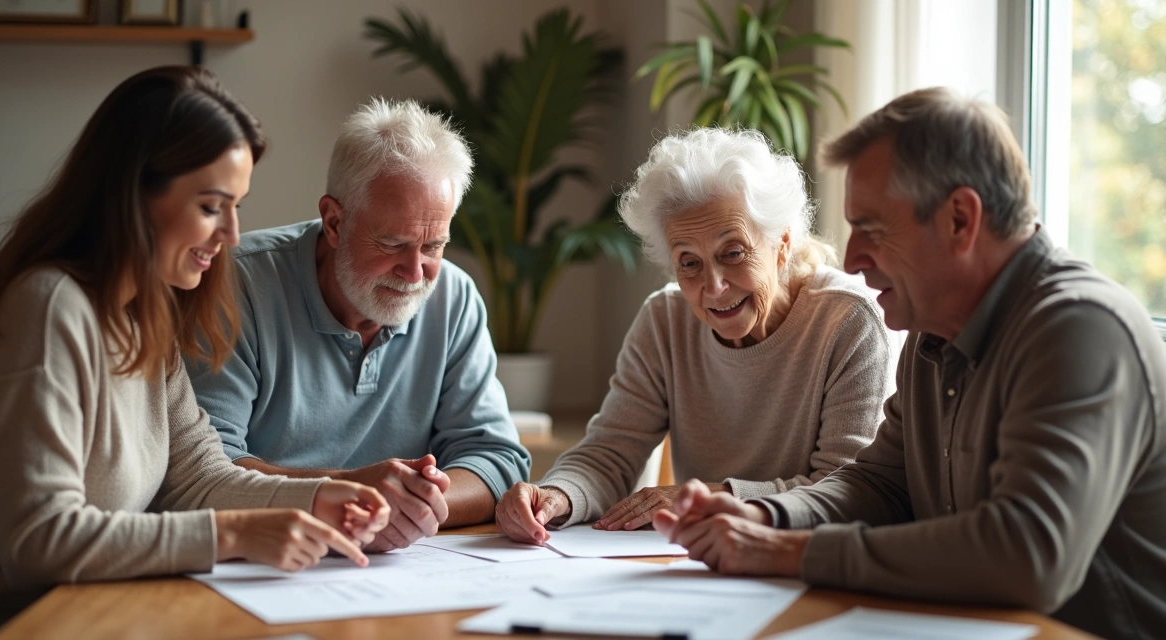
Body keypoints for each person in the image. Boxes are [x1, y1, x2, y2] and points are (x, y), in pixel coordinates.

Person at [653, 88, 1166, 639]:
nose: (850, 258)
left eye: (872, 229)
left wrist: (789, 550)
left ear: (960, 220)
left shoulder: (1079, 328)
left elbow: (1027, 554)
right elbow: (880, 484)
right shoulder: (933, 334)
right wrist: (766, 517)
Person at [0, 67, 391, 638]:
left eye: (237, 206)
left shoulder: (142, 311)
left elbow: (198, 476)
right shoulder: (45, 308)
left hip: (98, 617)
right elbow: (39, 541)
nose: (232, 233)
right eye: (211, 206)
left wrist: (318, 497)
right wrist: (231, 535)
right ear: (133, 195)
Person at [496, 128, 893, 545]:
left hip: (804, 563)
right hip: (699, 564)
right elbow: (610, 451)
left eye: (733, 252)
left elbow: (845, 489)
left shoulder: (848, 321)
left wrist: (719, 497)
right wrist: (556, 495)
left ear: (782, 245)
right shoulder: (665, 320)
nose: (714, 286)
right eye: (689, 262)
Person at [186, 98, 530, 553]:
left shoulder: (454, 297)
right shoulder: (232, 284)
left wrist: (410, 506)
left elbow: (498, 459)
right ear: (333, 221)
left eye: (434, 245)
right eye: (392, 243)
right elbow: (205, 471)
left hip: (406, 573)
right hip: (263, 562)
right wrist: (354, 494)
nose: (415, 272)